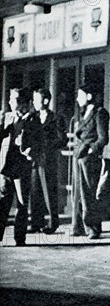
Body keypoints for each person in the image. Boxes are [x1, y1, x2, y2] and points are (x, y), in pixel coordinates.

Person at [0, 87, 41, 245]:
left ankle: (19, 237)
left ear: (23, 102)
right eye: (10, 98)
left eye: (14, 99)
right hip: (5, 166)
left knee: (22, 203)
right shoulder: (6, 117)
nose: (10, 101)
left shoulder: (32, 119)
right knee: (3, 202)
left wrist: (31, 150)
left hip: (21, 166)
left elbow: (39, 142)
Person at [73, 82, 109, 239]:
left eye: (80, 95)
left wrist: (90, 150)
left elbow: (103, 138)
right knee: (79, 193)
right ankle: (79, 226)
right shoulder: (83, 113)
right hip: (79, 156)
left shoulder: (99, 113)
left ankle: (93, 228)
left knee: (90, 193)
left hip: (89, 159)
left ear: (89, 96)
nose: (77, 99)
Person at [29, 88, 68, 234]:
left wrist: (45, 144)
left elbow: (62, 140)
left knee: (49, 192)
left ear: (45, 101)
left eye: (36, 100)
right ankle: (35, 223)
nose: (34, 103)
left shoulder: (57, 118)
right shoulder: (33, 117)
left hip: (48, 160)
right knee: (35, 191)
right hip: (34, 160)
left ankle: (53, 223)